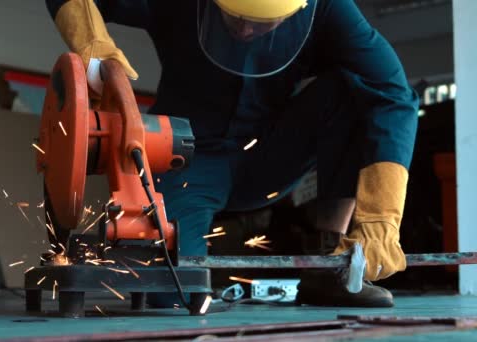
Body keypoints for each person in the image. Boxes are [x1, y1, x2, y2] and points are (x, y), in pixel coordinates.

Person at [44, 0, 419, 308]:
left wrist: (382, 216)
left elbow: (395, 94)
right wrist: (93, 43)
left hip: (271, 153)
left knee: (353, 89)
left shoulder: (330, 9)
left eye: (259, 23)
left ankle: (328, 263)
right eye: (234, 16)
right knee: (171, 293)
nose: (244, 31)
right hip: (186, 158)